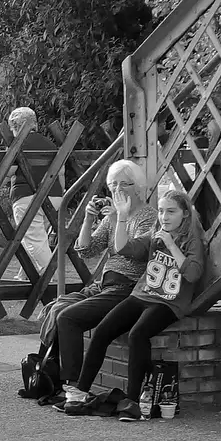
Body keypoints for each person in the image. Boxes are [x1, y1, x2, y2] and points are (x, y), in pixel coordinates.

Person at [60, 187, 206, 421]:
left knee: (137, 335)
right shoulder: (156, 231)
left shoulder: (193, 240)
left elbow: (193, 274)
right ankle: (79, 392)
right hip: (141, 295)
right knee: (103, 330)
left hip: (168, 303)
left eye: (171, 212)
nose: (164, 217)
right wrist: (122, 216)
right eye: (160, 211)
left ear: (185, 215)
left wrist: (170, 244)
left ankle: (133, 401)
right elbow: (124, 248)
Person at [47, 161, 159, 398]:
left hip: (126, 286)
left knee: (69, 318)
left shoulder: (148, 217)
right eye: (113, 185)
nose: (117, 190)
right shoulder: (112, 217)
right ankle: (48, 378)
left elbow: (134, 252)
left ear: (137, 187)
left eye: (124, 184)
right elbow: (86, 250)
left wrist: (122, 218)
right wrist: (88, 219)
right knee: (57, 308)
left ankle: (73, 386)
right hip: (104, 285)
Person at [5, 107, 60, 277]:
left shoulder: (18, 144)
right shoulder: (51, 144)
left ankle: (54, 279)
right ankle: (24, 275)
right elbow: (61, 171)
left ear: (15, 126)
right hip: (55, 196)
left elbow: (9, 171)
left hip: (26, 196)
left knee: (33, 240)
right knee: (36, 237)